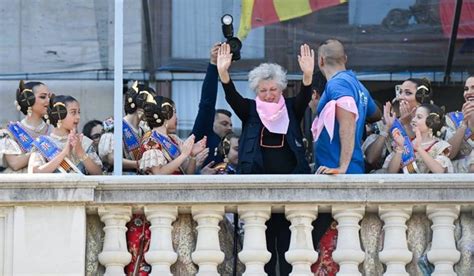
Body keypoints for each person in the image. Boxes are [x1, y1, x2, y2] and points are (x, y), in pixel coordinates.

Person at [217, 42, 314, 275]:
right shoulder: (250, 110)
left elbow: (304, 95)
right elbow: (231, 96)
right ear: (256, 92)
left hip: (290, 189)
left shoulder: (291, 108)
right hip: (256, 190)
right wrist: (223, 73)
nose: (269, 95)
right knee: (263, 252)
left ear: (281, 89)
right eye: (263, 90)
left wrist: (308, 74)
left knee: (290, 251)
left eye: (273, 90)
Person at [312, 39, 381, 174]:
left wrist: (341, 167)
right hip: (349, 169)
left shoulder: (337, 84)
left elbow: (347, 123)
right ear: (345, 59)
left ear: (321, 60)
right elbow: (376, 115)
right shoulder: (359, 86)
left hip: (335, 174)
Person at [28, 95, 103, 175]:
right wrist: (64, 153)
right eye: (73, 112)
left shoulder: (82, 141)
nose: (78, 117)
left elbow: (99, 174)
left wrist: (80, 152)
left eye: (78, 112)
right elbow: (35, 173)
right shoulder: (42, 143)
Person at [191, 43, 233, 168]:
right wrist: (214, 65)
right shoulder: (202, 136)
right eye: (224, 124)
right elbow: (207, 103)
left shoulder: (232, 145)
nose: (230, 128)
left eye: (231, 124)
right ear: (211, 123)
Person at [98, 81, 152, 174]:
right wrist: (137, 164)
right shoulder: (114, 126)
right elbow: (111, 158)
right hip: (120, 179)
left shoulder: (144, 129)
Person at [0, 80, 53, 173]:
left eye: (49, 97)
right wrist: (41, 149)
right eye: (43, 97)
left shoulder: (53, 131)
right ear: (29, 100)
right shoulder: (10, 131)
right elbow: (15, 164)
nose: (48, 101)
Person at [383, 103, 453, 173]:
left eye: (419, 117)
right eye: (414, 116)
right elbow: (391, 173)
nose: (413, 120)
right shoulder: (405, 142)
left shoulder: (440, 146)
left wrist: (419, 148)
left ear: (431, 122)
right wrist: (400, 149)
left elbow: (440, 172)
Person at [445, 76, 474, 173]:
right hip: (461, 180)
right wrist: (463, 124)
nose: (469, 92)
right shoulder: (452, 119)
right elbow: (448, 154)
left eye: (473, 88)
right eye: (466, 89)